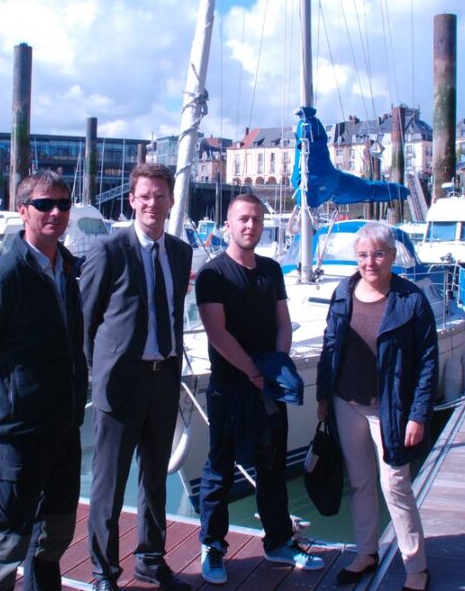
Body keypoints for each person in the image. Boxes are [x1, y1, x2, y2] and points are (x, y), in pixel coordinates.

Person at [0, 171, 87, 591]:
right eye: (45, 204)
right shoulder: (0, 280)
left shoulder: (67, 270)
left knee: (54, 533)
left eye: (63, 204)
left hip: (64, 428)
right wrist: (3, 407)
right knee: (7, 539)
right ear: (23, 209)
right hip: (19, 434)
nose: (55, 213)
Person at [195, 194, 324, 585]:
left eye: (256, 219)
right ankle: (213, 547)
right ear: (228, 226)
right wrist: (254, 372)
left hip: (268, 385)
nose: (250, 226)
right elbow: (217, 333)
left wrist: (277, 365)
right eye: (242, 220)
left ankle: (279, 541)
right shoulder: (213, 275)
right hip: (231, 388)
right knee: (219, 467)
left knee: (272, 465)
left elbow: (283, 322)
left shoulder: (270, 270)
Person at [81, 163, 194, 591]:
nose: (152, 202)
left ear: (170, 201)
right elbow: (86, 322)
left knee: (154, 480)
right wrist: (99, 374)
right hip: (119, 384)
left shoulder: (181, 253)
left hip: (164, 380)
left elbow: (173, 317)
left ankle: (150, 560)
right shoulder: (109, 250)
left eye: (160, 195)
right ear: (132, 200)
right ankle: (103, 572)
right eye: (144, 195)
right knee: (109, 483)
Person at [316, 221, 436, 590]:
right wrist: (323, 395)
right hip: (345, 402)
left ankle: (416, 567)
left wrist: (418, 414)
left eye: (378, 254)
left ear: (392, 256)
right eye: (364, 255)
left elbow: (428, 361)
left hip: (391, 409)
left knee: (395, 485)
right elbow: (329, 346)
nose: (371, 262)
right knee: (360, 481)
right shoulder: (343, 292)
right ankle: (366, 551)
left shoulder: (411, 300)